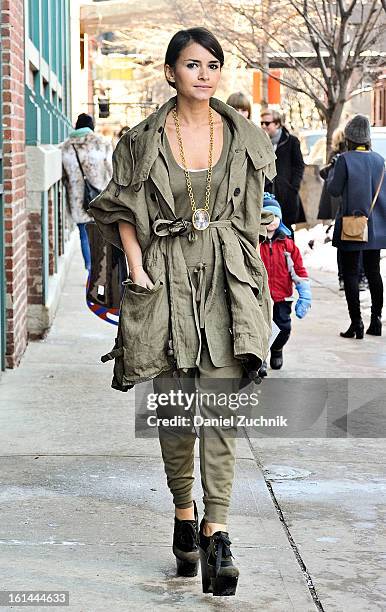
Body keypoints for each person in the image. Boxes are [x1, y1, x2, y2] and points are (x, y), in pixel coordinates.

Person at [89, 27, 276, 596]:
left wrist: (261, 226)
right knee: (175, 408)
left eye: (213, 64)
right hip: (163, 274)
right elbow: (122, 206)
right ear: (171, 71)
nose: (204, 73)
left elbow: (254, 205)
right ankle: (183, 512)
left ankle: (218, 532)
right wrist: (135, 266)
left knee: (221, 405)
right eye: (192, 64)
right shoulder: (141, 139)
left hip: (227, 276)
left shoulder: (244, 136)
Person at [328, 114, 386, 339]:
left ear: (349, 138)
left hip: (351, 225)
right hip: (376, 226)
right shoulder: (380, 160)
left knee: (351, 273)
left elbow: (333, 190)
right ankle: (376, 320)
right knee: (374, 272)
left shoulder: (344, 159)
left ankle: (356, 324)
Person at [258, 193, 311, 374]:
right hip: (260, 299)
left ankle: (277, 349)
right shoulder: (255, 244)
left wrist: (305, 294)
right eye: (267, 216)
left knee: (284, 328)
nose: (272, 221)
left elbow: (298, 270)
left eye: (275, 216)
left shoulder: (287, 245)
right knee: (260, 330)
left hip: (282, 297)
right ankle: (261, 359)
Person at [318, 129, 368, 292]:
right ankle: (352, 277)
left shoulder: (343, 157)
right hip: (349, 204)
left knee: (347, 243)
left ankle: (346, 277)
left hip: (344, 205)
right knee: (354, 242)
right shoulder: (341, 157)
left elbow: (328, 179)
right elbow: (327, 176)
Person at [61, 113, 113, 272]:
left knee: (84, 235)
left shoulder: (65, 146)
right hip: (100, 199)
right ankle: (101, 273)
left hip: (78, 201)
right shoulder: (102, 143)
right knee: (102, 236)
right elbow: (112, 172)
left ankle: (90, 271)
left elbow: (63, 176)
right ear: (91, 127)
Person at [260, 108, 305, 233]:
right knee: (267, 231)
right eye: (262, 123)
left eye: (267, 123)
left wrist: (293, 187)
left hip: (287, 195)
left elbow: (299, 166)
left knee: (287, 231)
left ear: (277, 124)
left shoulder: (292, 141)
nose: (264, 126)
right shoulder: (259, 142)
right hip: (267, 195)